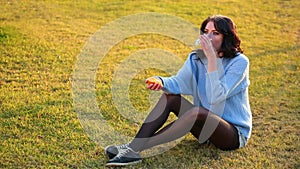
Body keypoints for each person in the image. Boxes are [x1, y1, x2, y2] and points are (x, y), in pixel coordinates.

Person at [104, 15, 252, 167]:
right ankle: (132, 148)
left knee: (197, 111)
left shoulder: (239, 62)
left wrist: (212, 61)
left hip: (232, 134)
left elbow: (216, 97)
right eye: (206, 32)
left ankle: (133, 149)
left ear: (226, 37)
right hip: (205, 130)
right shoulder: (196, 59)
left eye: (215, 33)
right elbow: (178, 82)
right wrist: (160, 81)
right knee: (170, 97)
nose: (208, 37)